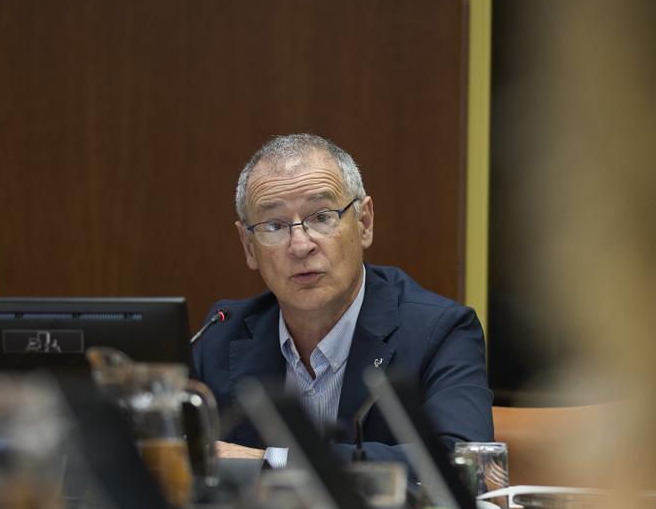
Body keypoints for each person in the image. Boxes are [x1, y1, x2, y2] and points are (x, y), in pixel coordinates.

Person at [191, 133, 493, 468]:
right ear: (249, 247)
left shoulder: (439, 331)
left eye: (321, 217)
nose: (300, 245)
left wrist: (273, 462)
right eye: (274, 225)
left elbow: (466, 462)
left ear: (364, 222)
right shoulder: (219, 335)